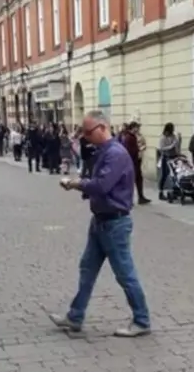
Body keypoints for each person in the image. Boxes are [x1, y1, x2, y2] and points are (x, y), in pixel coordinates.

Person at [50, 110, 151, 338]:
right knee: (87, 268)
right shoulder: (105, 151)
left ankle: (142, 320)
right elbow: (102, 186)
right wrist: (86, 189)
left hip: (114, 223)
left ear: (103, 127)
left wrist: (77, 184)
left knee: (125, 273)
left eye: (88, 132)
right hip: (101, 221)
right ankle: (75, 316)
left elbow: (102, 185)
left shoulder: (115, 153)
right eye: (84, 132)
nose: (85, 136)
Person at [122, 121, 150, 204]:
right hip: (132, 162)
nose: (138, 129)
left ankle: (141, 197)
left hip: (136, 162)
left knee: (138, 179)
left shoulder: (132, 136)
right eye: (137, 127)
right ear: (133, 127)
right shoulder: (129, 137)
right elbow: (130, 151)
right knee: (131, 181)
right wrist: (139, 149)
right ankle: (128, 199)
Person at [157, 123, 181, 200]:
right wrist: (171, 146)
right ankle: (161, 192)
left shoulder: (173, 136)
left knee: (175, 174)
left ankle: (175, 191)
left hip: (174, 157)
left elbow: (176, 145)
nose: (172, 132)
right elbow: (161, 148)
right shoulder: (163, 138)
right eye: (171, 130)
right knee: (165, 175)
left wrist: (179, 140)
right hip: (166, 157)